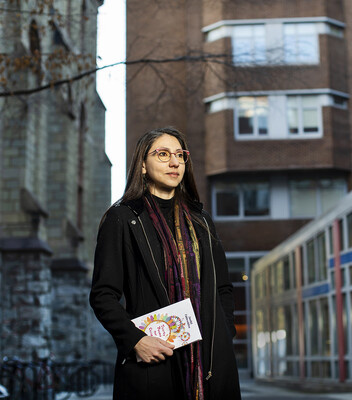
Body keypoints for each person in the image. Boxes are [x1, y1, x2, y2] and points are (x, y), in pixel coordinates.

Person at [90, 127, 241, 400]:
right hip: (154, 362)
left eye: (180, 155)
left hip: (211, 364)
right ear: (143, 165)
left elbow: (223, 288)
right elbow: (103, 296)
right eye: (162, 154)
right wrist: (135, 340)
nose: (174, 162)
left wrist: (223, 336)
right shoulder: (123, 219)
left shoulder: (201, 220)